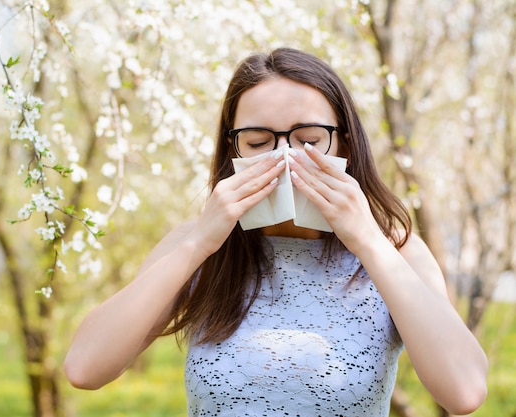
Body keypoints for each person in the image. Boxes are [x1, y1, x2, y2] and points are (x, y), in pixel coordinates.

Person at [64, 47, 487, 416]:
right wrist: (199, 243)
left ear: (345, 144)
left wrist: (368, 241)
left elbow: (464, 392)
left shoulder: (396, 251)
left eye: (307, 138)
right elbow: (84, 368)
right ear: (233, 149)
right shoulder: (197, 247)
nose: (284, 158)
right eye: (258, 142)